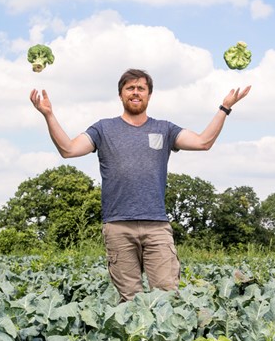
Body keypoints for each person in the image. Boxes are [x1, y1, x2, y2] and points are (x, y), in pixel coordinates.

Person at [30, 69, 251, 301]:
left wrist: (224, 108)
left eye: (141, 88)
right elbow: (69, 149)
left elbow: (203, 142)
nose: (135, 93)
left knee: (166, 297)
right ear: (121, 95)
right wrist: (48, 115)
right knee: (130, 302)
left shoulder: (165, 129)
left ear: (149, 95)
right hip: (118, 227)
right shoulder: (103, 129)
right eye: (130, 88)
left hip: (157, 227)